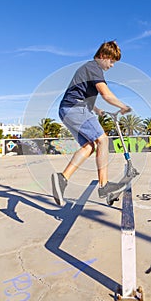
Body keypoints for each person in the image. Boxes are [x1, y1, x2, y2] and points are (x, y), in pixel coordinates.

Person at [52, 41, 131, 206]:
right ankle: (104, 187)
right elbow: (106, 94)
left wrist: (97, 110)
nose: (112, 65)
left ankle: (62, 179)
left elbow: (80, 93)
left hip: (68, 109)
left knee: (90, 146)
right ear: (103, 56)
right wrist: (123, 106)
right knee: (103, 139)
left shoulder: (87, 69)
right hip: (75, 108)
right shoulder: (93, 68)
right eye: (111, 61)